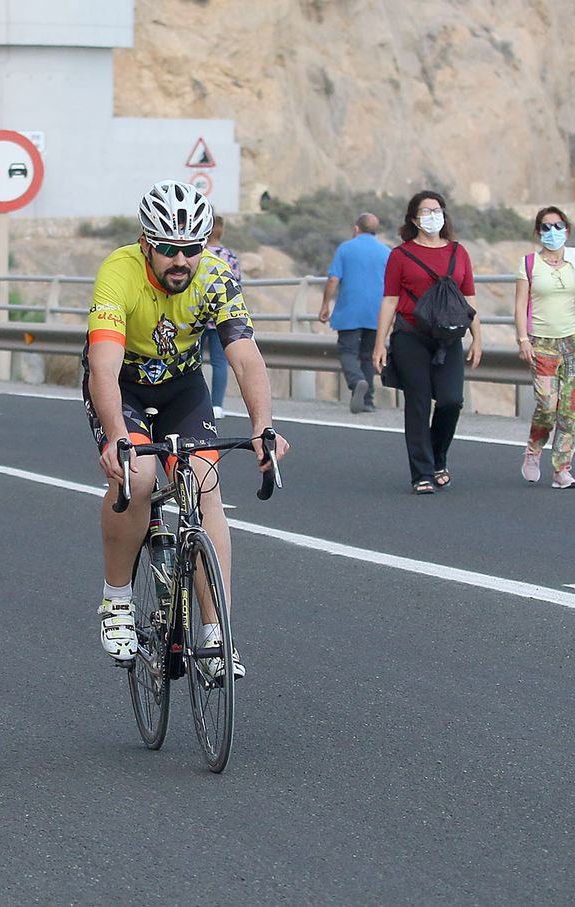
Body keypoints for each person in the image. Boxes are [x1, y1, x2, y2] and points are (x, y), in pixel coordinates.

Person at [84, 180, 290, 680]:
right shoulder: (119, 271)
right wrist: (116, 437)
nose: (181, 261)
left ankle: (217, 635)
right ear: (145, 244)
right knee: (138, 478)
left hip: (181, 387)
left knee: (204, 485)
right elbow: (103, 367)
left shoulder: (216, 275)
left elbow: (245, 356)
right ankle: (116, 600)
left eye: (192, 248)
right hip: (125, 387)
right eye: (169, 249)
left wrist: (263, 427)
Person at [372, 191, 483, 494]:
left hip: (449, 337)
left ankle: (438, 457)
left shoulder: (459, 252)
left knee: (451, 400)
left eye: (437, 210)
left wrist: (478, 338)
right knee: (418, 403)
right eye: (425, 211)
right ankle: (421, 473)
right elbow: (390, 300)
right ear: (413, 219)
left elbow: (469, 298)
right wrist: (380, 343)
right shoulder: (400, 255)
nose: (433, 216)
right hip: (410, 336)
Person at [514, 206, 575, 489]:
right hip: (542, 342)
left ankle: (562, 469)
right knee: (547, 405)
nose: (553, 232)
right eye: (546, 227)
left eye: (558, 226)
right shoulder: (528, 264)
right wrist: (523, 339)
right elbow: (520, 305)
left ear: (567, 230)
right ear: (538, 232)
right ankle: (534, 449)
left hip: (574, 341)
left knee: (571, 409)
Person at [318, 212, 390, 413]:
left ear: (356, 229)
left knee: (348, 351)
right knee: (367, 356)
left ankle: (357, 381)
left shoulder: (346, 248)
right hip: (377, 314)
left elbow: (333, 279)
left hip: (350, 311)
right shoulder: (386, 252)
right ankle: (367, 401)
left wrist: (325, 305)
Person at [200, 215, 242, 419]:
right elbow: (236, 285)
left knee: (192, 362)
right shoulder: (229, 256)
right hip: (220, 316)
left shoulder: (198, 253)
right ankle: (217, 405)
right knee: (219, 362)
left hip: (197, 315)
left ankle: (195, 403)